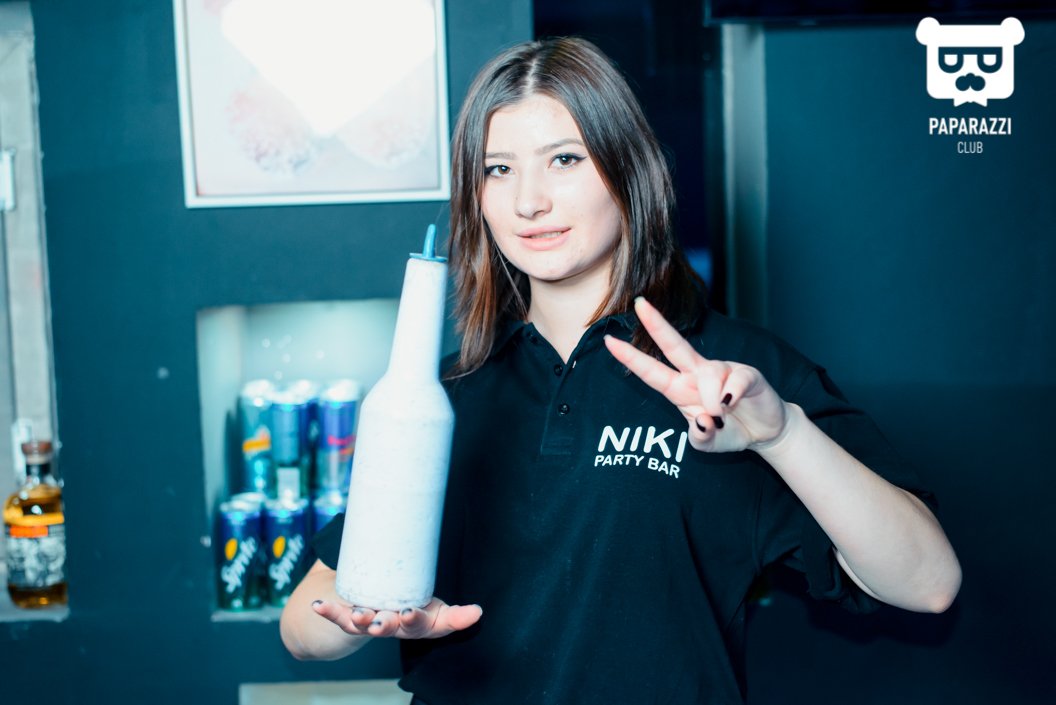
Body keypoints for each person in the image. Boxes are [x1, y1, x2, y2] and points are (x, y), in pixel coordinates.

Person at [280, 37, 961, 704]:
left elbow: (929, 583)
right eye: (498, 169)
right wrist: (374, 613)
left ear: (627, 168)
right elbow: (302, 626)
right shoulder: (446, 393)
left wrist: (782, 435)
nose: (528, 202)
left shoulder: (732, 377)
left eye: (564, 159)